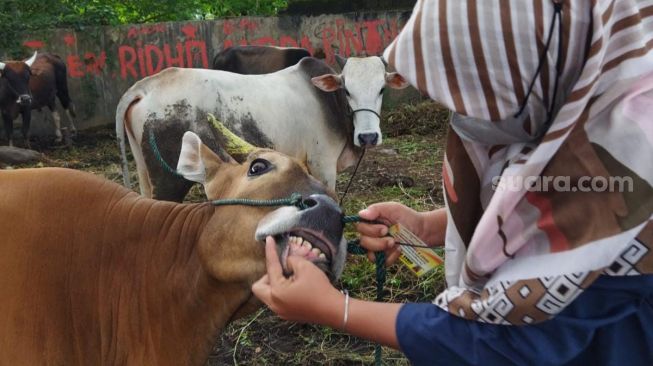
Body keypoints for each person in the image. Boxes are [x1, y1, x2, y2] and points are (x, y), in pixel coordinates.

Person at [252, 0, 653, 364]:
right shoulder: (580, 99)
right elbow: (547, 195)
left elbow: (503, 340)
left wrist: (333, 308)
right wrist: (431, 224)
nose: (461, 116)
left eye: (480, 94)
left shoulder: (628, 170)